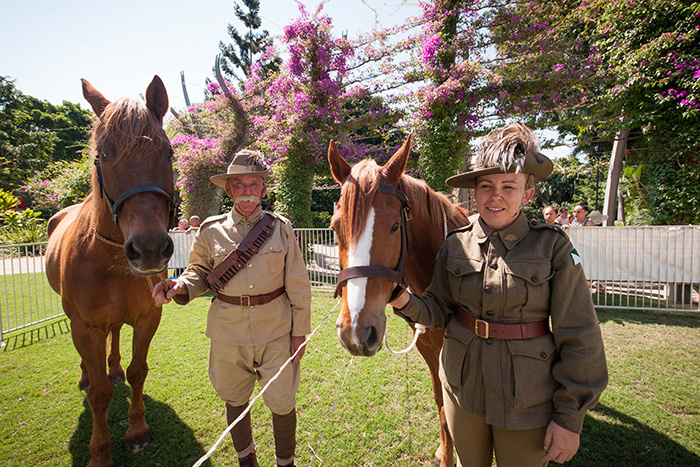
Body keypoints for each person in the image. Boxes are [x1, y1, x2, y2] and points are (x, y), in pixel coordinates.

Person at [389, 123, 608, 467]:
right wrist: (401, 298)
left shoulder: (553, 248)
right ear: (474, 192)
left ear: (527, 194)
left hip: (527, 400)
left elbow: (580, 334)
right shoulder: (455, 245)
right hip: (462, 391)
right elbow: (438, 309)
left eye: (509, 186)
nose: (496, 196)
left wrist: (569, 417)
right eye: (486, 186)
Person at [153, 150, 312, 467]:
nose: (247, 190)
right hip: (228, 332)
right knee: (234, 398)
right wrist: (181, 286)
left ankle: (286, 462)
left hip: (276, 331)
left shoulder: (280, 228)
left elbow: (298, 284)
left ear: (264, 189)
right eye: (239, 184)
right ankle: (246, 459)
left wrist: (299, 333)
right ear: (229, 189)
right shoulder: (210, 230)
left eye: (254, 183)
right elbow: (198, 272)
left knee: (283, 401)